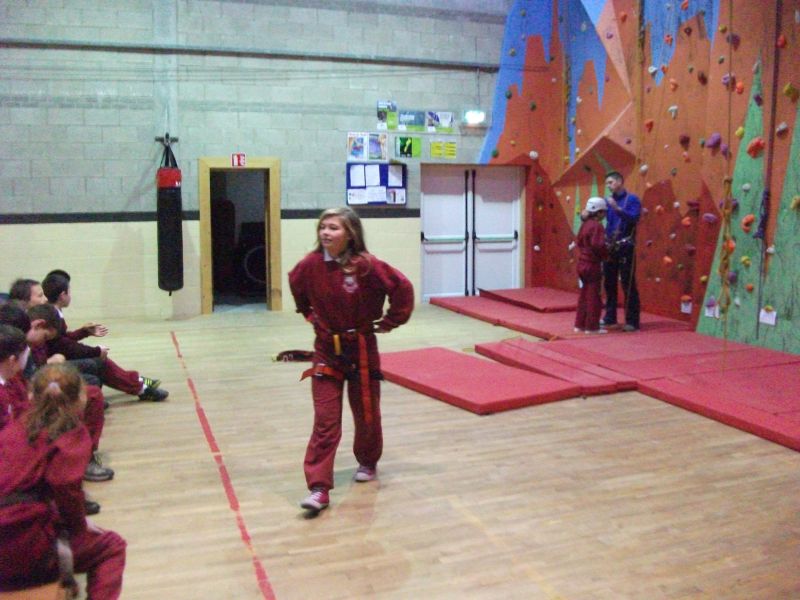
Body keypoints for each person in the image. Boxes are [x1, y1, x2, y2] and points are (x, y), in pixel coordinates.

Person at [289, 207, 414, 512]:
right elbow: (296, 286)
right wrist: (309, 315)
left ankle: (368, 460)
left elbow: (402, 287)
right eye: (323, 227)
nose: (326, 232)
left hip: (361, 349)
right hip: (326, 350)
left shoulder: (367, 266)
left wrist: (391, 321)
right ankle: (319, 488)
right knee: (326, 420)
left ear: (350, 234)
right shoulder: (310, 264)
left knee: (366, 413)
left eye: (333, 228)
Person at [0, 363, 126, 597]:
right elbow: (65, 487)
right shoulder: (71, 433)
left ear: (31, 395)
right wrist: (79, 527)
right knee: (111, 546)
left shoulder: (13, 427)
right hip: (20, 537)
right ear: (81, 398)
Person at [41, 270, 168, 401]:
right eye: (69, 291)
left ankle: (138, 382)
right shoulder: (52, 316)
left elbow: (62, 340)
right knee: (99, 361)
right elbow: (65, 346)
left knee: (100, 360)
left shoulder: (53, 312)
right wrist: (96, 350)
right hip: (55, 361)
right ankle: (139, 385)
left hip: (59, 357)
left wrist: (84, 332)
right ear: (63, 295)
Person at [601, 171, 641, 331]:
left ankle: (632, 321)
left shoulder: (632, 200)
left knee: (628, 284)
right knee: (609, 283)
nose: (608, 186)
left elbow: (634, 218)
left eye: (610, 182)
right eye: (607, 183)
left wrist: (617, 208)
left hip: (626, 246)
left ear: (619, 182)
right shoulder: (607, 201)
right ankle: (610, 316)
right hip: (611, 246)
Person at [574, 197, 609, 334]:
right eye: (603, 212)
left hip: (582, 263)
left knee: (584, 294)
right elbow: (598, 245)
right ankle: (592, 327)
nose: (604, 215)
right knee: (594, 296)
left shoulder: (585, 225)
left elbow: (579, 241)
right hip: (592, 264)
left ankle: (579, 324)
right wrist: (607, 254)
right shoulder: (597, 226)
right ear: (598, 212)